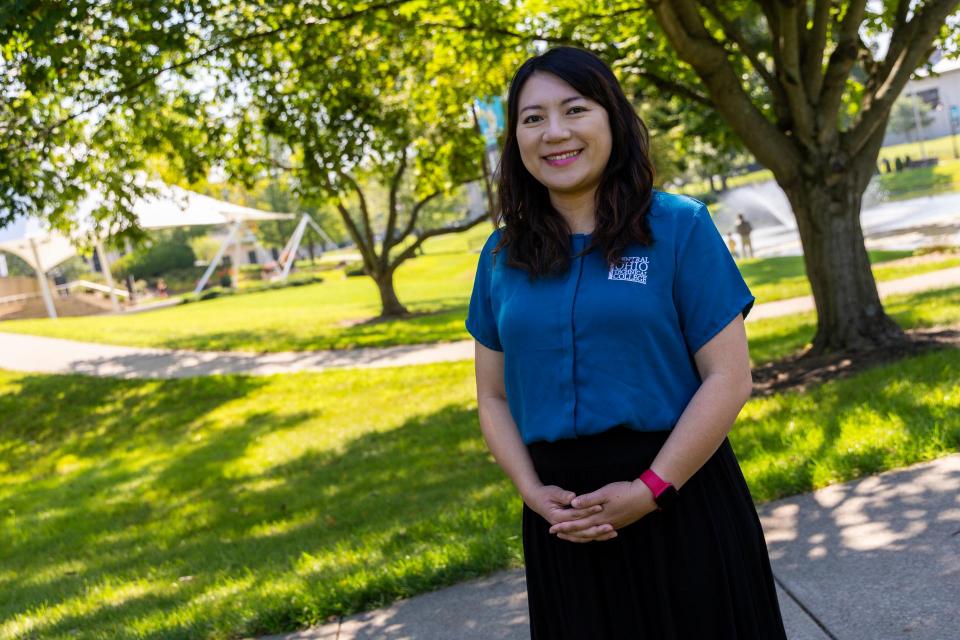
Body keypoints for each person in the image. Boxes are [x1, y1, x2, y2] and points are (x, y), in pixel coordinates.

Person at [466, 47, 786, 639]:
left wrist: (650, 489)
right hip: (563, 520)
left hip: (680, 498)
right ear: (516, 140)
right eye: (533, 118)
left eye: (575, 109)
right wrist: (532, 493)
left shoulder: (680, 226)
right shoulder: (500, 256)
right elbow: (493, 397)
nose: (554, 132)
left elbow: (729, 377)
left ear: (611, 118)